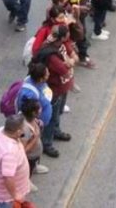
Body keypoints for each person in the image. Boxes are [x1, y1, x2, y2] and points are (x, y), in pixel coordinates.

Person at [34, 24, 75, 156]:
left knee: (58, 112)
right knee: (51, 116)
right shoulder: (52, 55)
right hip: (54, 89)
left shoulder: (57, 44)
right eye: (67, 34)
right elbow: (64, 70)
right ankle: (47, 143)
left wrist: (70, 61)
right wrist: (69, 63)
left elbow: (71, 55)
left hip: (62, 87)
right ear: (62, 37)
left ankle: (56, 131)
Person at [0, 114, 31, 208]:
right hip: (3, 197)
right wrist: (15, 195)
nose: (25, 129)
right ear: (18, 131)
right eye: (24, 128)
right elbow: (8, 178)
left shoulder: (0, 131)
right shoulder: (9, 153)